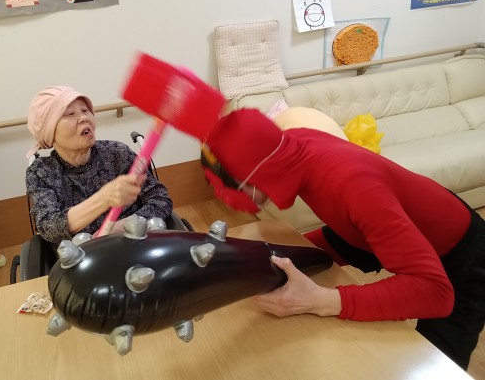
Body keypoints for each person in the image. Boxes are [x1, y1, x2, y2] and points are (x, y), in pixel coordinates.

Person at [201, 107, 485, 370]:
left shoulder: (351, 185)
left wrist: (320, 300)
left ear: (255, 174)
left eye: (232, 189)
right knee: (286, 259)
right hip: (367, 224)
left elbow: (436, 292)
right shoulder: (290, 145)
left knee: (434, 363)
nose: (228, 200)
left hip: (463, 253)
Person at [25, 85, 173, 246]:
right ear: (49, 131)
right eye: (70, 114)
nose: (83, 118)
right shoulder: (41, 171)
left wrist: (120, 228)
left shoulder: (117, 153)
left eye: (85, 110)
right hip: (81, 255)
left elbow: (160, 200)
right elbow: (49, 227)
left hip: (135, 243)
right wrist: (104, 198)